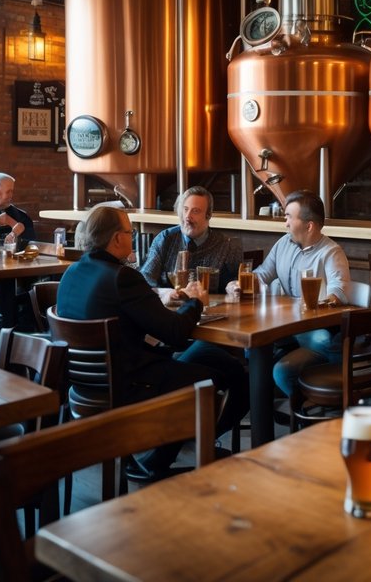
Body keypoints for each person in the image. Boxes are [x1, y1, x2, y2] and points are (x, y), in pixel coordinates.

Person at [56, 206, 248, 480]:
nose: (132, 237)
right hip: (129, 383)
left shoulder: (72, 272)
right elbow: (175, 333)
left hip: (85, 382)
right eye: (129, 232)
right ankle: (165, 457)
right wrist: (196, 302)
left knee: (209, 355)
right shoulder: (122, 277)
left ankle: (168, 449)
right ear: (116, 239)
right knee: (218, 378)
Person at [251, 190, 349, 397]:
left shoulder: (331, 252)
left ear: (309, 226)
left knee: (320, 341)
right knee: (251, 347)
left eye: (288, 217)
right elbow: (263, 274)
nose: (285, 223)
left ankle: (322, 404)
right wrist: (241, 283)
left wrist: (320, 303)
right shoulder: (283, 243)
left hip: (314, 328)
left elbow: (338, 291)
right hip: (285, 326)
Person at [139, 187, 241, 297]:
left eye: (195, 211)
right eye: (185, 209)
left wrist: (233, 286)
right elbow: (145, 279)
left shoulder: (225, 245)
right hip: (170, 305)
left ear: (208, 215)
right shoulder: (165, 239)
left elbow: (232, 281)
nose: (188, 216)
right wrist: (166, 293)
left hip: (209, 306)